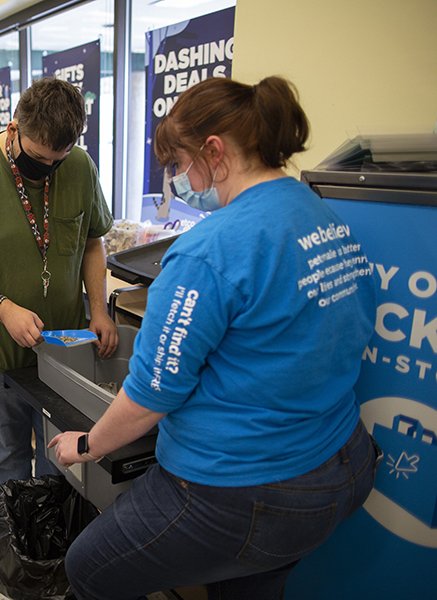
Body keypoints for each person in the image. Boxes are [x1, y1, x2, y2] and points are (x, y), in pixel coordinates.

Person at [49, 76, 381, 600]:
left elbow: (149, 397)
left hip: (244, 488)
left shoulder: (210, 250)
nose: (182, 179)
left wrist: (85, 445)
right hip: (344, 462)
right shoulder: (323, 216)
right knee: (250, 577)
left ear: (214, 152)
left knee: (89, 567)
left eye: (180, 164)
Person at [0, 77, 118, 487]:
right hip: (0, 352)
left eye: (58, 159)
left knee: (61, 457)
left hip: (64, 349)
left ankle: (52, 540)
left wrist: (99, 310)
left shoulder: (81, 167)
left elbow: (91, 243)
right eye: (36, 156)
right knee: (11, 452)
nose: (47, 169)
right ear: (14, 128)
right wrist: (2, 307)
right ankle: (17, 536)